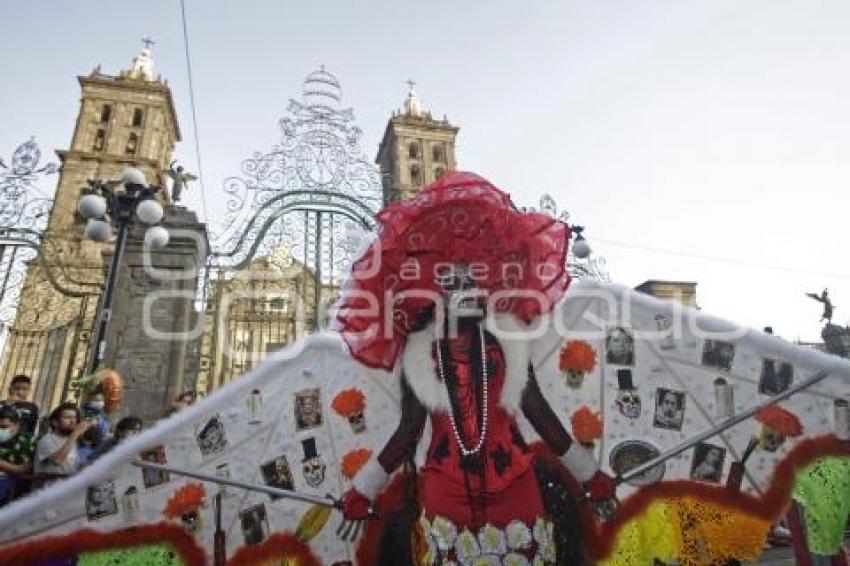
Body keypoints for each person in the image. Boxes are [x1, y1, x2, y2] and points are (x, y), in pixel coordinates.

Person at [336, 173, 617, 564]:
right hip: (443, 494)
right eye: (453, 283)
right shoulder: (418, 353)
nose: (464, 290)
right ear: (437, 293)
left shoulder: (507, 343)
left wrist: (589, 475)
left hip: (517, 484)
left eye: (472, 281)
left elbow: (538, 412)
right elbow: (409, 430)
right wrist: (363, 488)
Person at [35, 403, 93, 484]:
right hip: (48, 488)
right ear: (55, 422)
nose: (73, 421)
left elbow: (71, 465)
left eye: (74, 418)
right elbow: (57, 460)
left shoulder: (72, 440)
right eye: (68, 418)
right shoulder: (47, 440)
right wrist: (75, 433)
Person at [0, 405, 36, 506]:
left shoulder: (27, 441)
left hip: (14, 493)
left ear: (17, 426)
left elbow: (24, 469)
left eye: (4, 427)